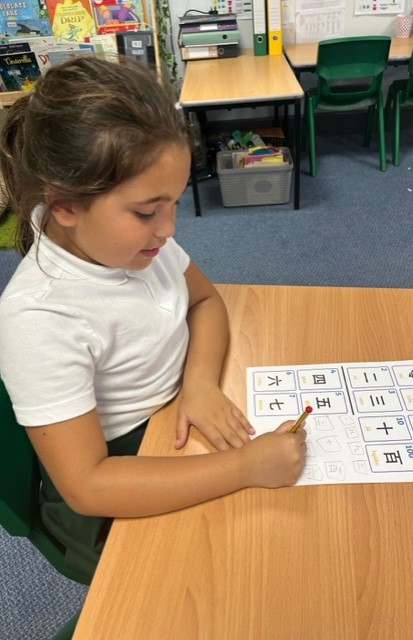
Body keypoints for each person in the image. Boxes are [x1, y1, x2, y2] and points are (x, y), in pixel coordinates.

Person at [0, 57, 306, 582]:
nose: (168, 229)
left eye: (174, 204)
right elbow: (88, 486)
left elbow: (205, 302)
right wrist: (245, 467)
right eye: (147, 211)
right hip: (113, 497)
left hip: (172, 429)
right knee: (238, 576)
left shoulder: (131, 242)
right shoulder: (39, 317)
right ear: (65, 204)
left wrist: (200, 384)